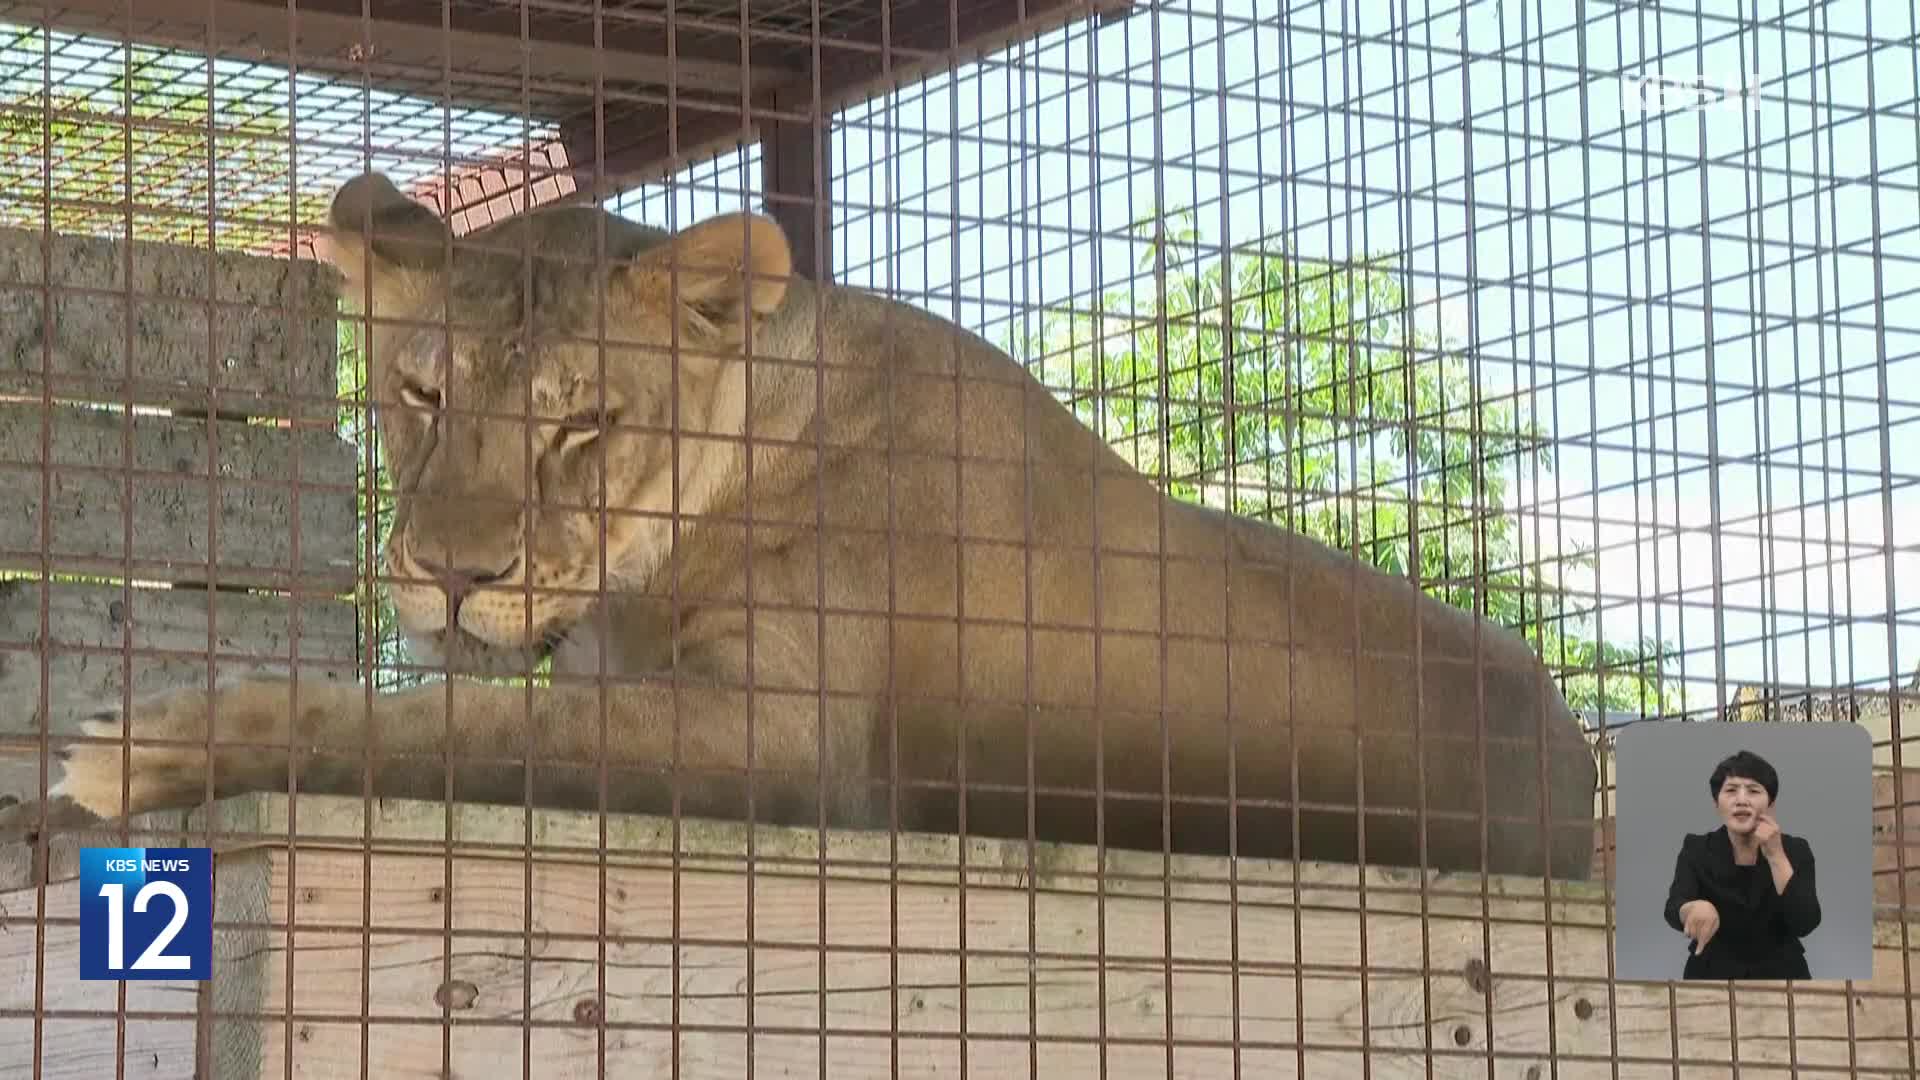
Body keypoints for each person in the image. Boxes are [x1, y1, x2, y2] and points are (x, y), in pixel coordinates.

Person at [1662, 749, 1821, 980]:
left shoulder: (1796, 850)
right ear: (1717, 803)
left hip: (1782, 975)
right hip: (1711, 975)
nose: (1742, 800)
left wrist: (1777, 856)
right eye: (1731, 790)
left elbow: (1806, 922)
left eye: (1754, 790)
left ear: (1771, 804)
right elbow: (1673, 906)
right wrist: (1692, 909)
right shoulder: (1696, 848)